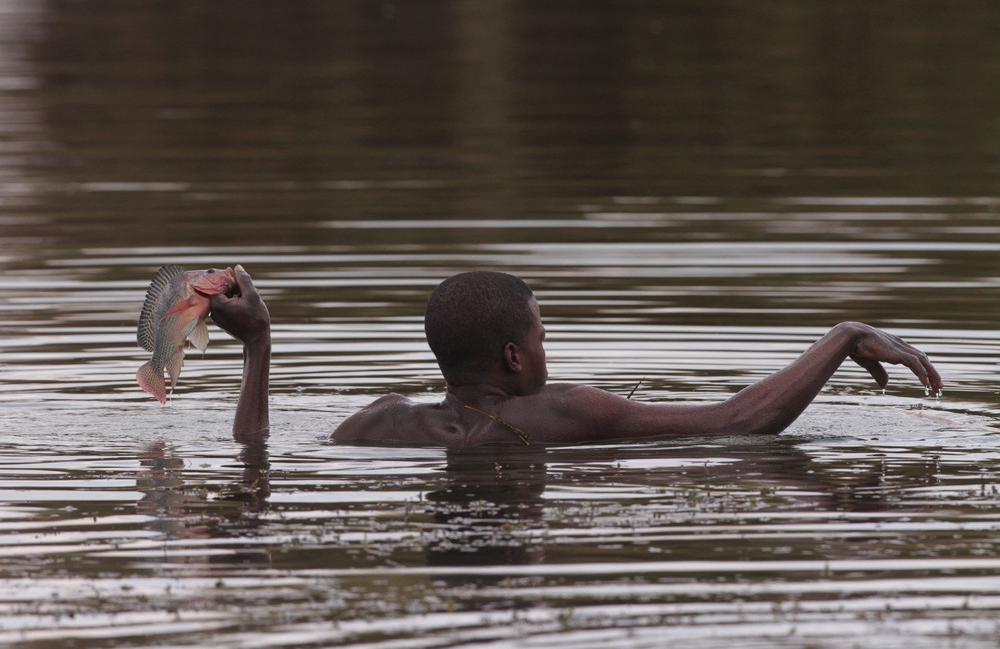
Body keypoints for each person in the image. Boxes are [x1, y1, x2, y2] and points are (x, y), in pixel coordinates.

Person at [210, 266, 943, 446]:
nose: (544, 347)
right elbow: (740, 423)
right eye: (540, 334)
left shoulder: (378, 424)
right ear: (512, 357)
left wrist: (260, 347)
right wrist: (841, 336)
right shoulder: (557, 414)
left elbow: (254, 457)